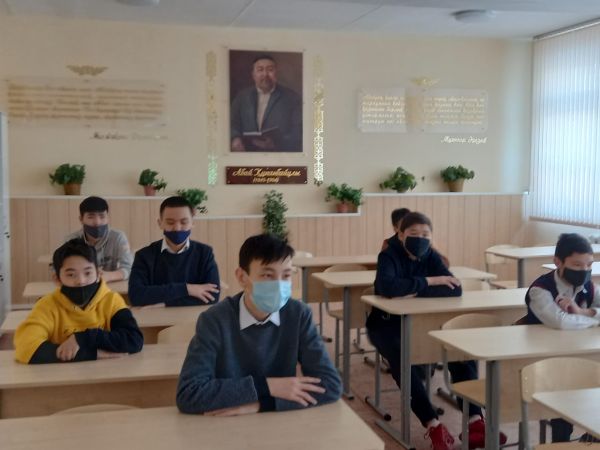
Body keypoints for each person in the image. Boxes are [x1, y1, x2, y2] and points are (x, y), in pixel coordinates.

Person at [366, 211, 506, 450]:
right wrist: (430, 281)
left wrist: (410, 290)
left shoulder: (430, 255)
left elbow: (454, 289)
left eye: (425, 234)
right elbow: (387, 287)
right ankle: (433, 425)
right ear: (400, 234)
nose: (420, 238)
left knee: (460, 351)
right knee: (405, 361)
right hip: (386, 325)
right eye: (413, 233)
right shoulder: (389, 255)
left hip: (425, 323)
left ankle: (475, 421)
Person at [176, 233, 341, 415]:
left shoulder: (299, 315)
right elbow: (189, 394)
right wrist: (267, 386)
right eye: (267, 275)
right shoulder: (214, 320)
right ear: (242, 277)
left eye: (286, 275)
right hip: (227, 424)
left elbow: (330, 385)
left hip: (278, 421)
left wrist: (261, 404)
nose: (278, 284)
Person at [14, 239, 143, 364]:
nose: (81, 281)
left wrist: (83, 338)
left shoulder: (111, 301)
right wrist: (91, 354)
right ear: (57, 279)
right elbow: (26, 348)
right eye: (71, 275)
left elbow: (134, 339)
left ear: (98, 274)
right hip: (62, 376)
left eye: (87, 273)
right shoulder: (47, 306)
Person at [523, 233, 600, 443]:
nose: (584, 271)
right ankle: (561, 442)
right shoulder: (540, 289)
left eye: (589, 265)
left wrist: (583, 312)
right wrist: (594, 318)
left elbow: (570, 319)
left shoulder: (589, 287)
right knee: (564, 389)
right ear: (558, 262)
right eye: (577, 265)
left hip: (579, 352)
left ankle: (592, 435)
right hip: (543, 358)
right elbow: (561, 322)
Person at [128, 196, 220, 307]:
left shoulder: (205, 253)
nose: (177, 228)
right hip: (156, 317)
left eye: (184, 222)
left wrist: (165, 302)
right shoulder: (144, 256)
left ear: (192, 223)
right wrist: (187, 289)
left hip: (193, 317)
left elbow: (212, 296)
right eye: (170, 222)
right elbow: (136, 296)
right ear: (160, 223)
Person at [230, 54, 302, 152]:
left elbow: (298, 132)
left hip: (279, 155)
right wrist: (235, 138)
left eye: (270, 70)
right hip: (246, 154)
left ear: (276, 73)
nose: (265, 74)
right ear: (253, 75)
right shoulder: (242, 97)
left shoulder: (292, 98)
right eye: (260, 70)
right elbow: (232, 123)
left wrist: (277, 143)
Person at [66, 196, 133, 282]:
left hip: (110, 285)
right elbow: (58, 268)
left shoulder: (118, 237)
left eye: (102, 216)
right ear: (81, 219)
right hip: (81, 284)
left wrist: (109, 276)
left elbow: (130, 268)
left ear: (107, 218)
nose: (97, 222)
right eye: (91, 217)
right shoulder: (71, 240)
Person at [381, 207, 450, 268]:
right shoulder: (389, 244)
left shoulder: (422, 242)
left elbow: (445, 265)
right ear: (395, 228)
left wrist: (432, 247)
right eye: (404, 225)